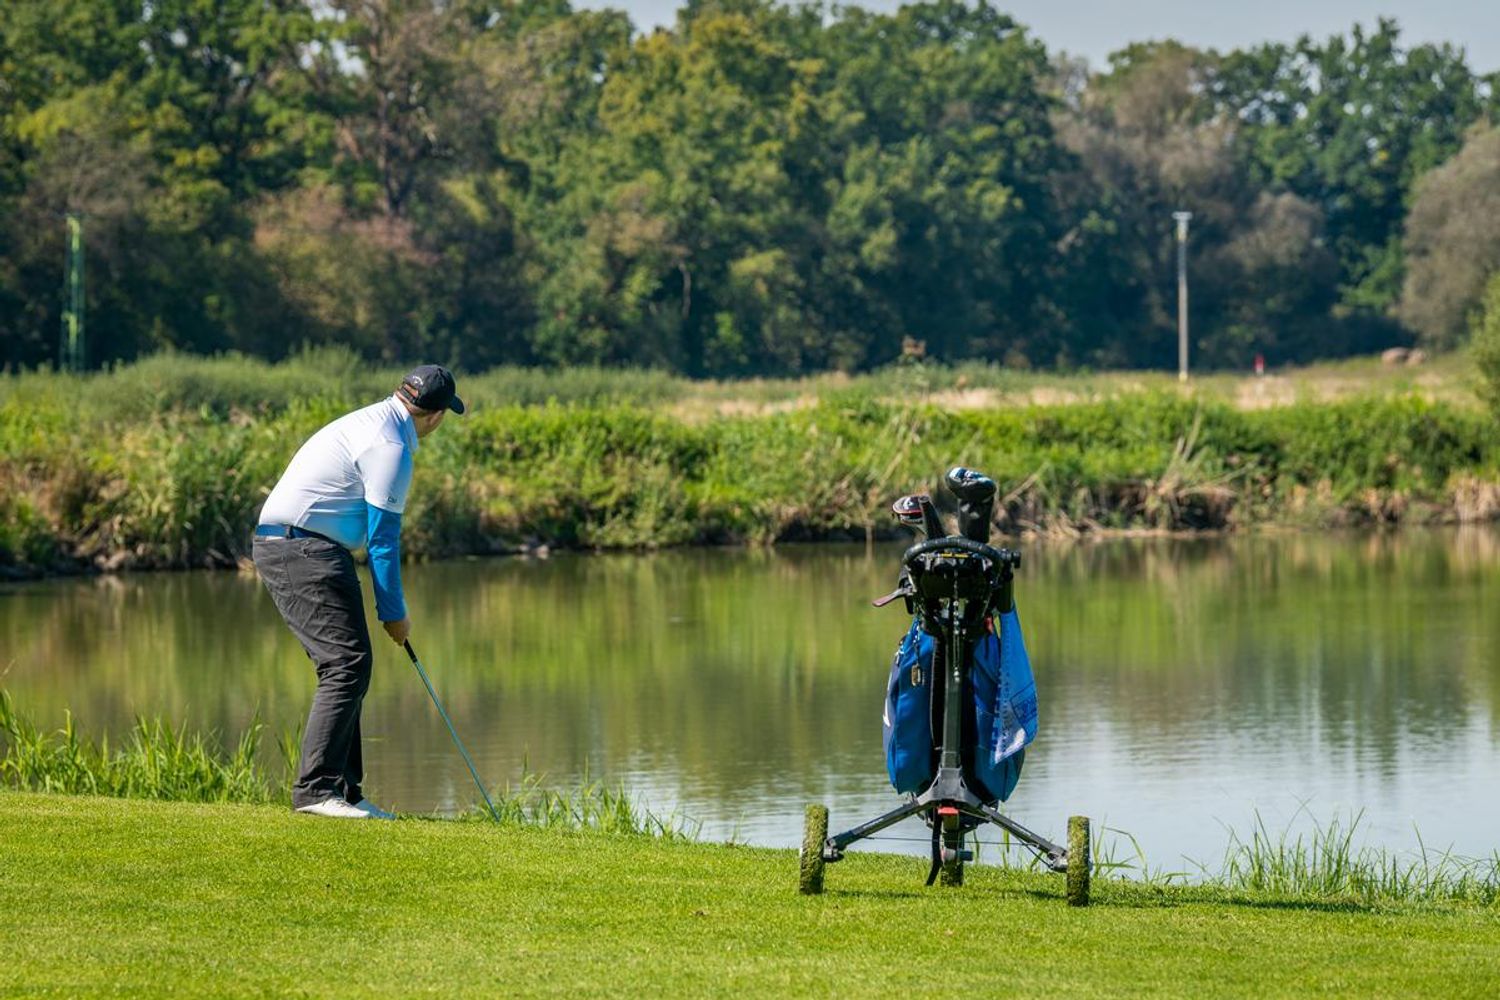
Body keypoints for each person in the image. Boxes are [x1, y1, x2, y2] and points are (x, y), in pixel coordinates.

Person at [252, 365, 464, 819]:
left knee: (348, 664)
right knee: (346, 664)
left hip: (304, 547)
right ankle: (315, 792)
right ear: (436, 416)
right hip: (300, 548)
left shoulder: (373, 421)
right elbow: (383, 541)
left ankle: (345, 792)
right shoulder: (391, 447)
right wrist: (394, 613)